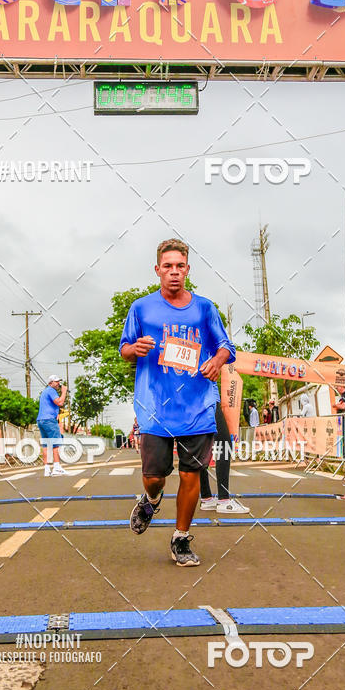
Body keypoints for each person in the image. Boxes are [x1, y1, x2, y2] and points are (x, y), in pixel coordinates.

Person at [119, 238, 235, 566]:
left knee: (190, 475)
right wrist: (134, 348)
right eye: (167, 266)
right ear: (157, 270)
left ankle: (180, 538)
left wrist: (218, 360)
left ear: (187, 270)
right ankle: (151, 500)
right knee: (155, 475)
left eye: (180, 266)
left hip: (197, 406)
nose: (174, 272)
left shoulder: (205, 308)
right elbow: (124, 348)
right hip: (154, 406)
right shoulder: (141, 308)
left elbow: (226, 345)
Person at [199, 403, 249, 514]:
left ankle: (206, 498)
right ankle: (223, 500)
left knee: (203, 446)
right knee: (225, 445)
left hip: (199, 402)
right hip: (209, 401)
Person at [37, 375, 68, 476]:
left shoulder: (45, 391)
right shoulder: (51, 390)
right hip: (49, 420)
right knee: (56, 444)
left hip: (41, 420)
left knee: (45, 445)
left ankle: (46, 469)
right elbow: (60, 402)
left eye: (59, 381)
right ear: (50, 383)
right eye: (56, 382)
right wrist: (64, 392)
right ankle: (57, 467)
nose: (58, 383)